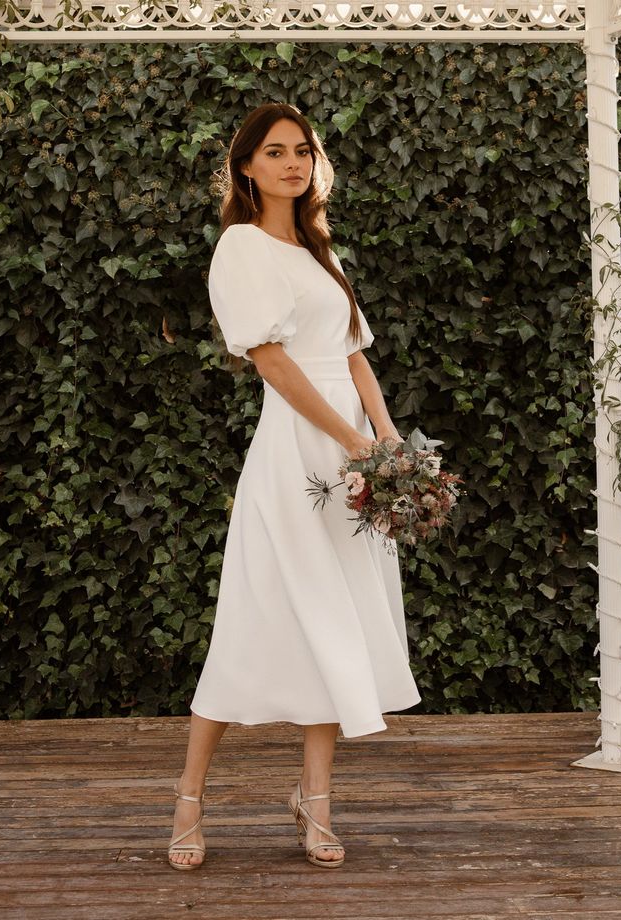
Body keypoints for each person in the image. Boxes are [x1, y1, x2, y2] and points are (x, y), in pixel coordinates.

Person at [167, 102, 422, 871]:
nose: (292, 163)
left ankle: (315, 802)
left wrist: (387, 443)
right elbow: (272, 363)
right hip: (296, 457)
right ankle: (187, 798)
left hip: (351, 454)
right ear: (247, 167)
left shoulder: (319, 250)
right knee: (253, 619)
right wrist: (349, 443)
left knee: (335, 621)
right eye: (275, 152)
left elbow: (353, 356)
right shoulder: (240, 247)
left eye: (302, 151)